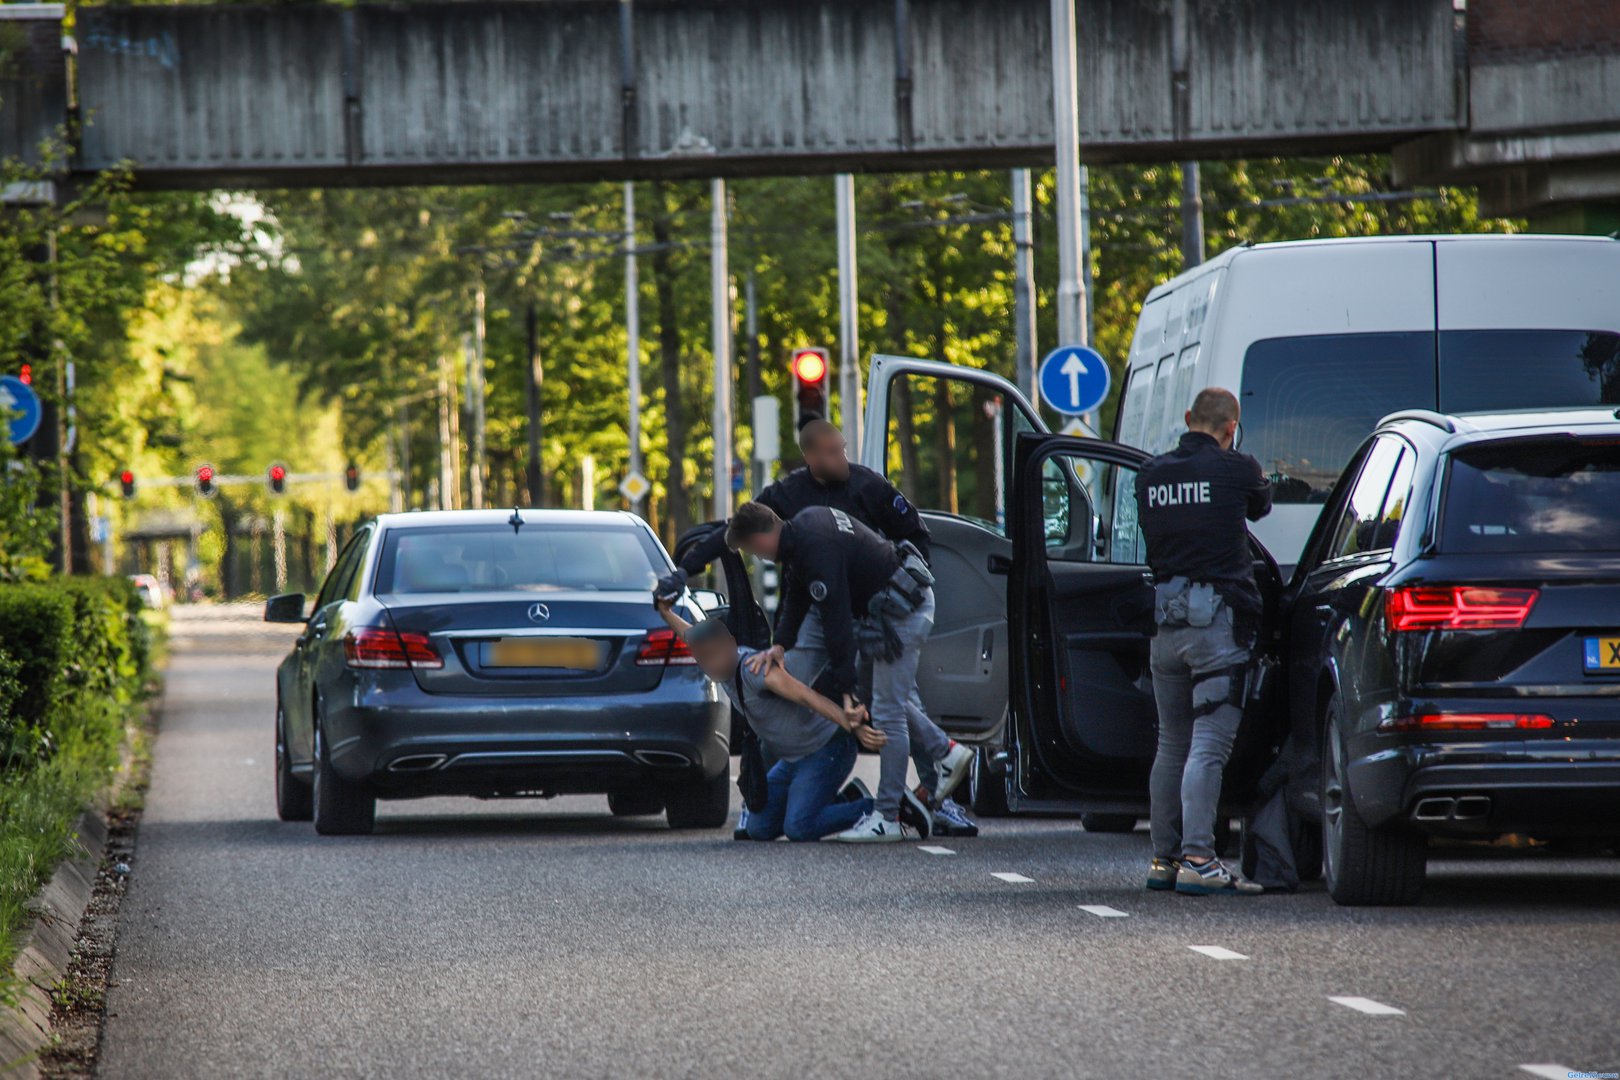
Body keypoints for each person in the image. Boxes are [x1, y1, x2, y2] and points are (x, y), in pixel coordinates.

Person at [654, 419, 977, 834]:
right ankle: (779, 788)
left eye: (841, 449)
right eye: (830, 452)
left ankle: (926, 795)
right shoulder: (789, 499)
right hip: (824, 608)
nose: (840, 458)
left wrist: (895, 593)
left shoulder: (868, 487)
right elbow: (742, 535)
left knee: (891, 700)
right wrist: (686, 570)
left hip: (876, 611)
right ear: (810, 456)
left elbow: (911, 539)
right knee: (782, 683)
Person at [726, 502, 974, 843]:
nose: (758, 557)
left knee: (886, 710)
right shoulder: (804, 528)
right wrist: (779, 645)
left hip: (902, 612)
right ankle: (945, 750)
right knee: (883, 698)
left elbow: (837, 623)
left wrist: (846, 692)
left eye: (754, 549)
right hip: (887, 611)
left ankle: (887, 815)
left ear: (763, 536)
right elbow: (798, 596)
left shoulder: (814, 548)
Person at [1134, 387, 1272, 897]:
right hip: (1217, 625)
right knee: (1209, 746)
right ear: (1231, 429)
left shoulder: (1150, 474)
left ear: (1188, 417)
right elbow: (1261, 507)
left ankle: (1163, 860)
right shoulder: (1237, 468)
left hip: (1165, 626)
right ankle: (1200, 857)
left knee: (1171, 743)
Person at [653, 597, 897, 842]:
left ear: (731, 644)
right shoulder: (712, 658)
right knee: (759, 829)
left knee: (799, 827)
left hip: (827, 749)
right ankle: (845, 799)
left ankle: (884, 809)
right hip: (792, 760)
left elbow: (806, 696)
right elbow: (689, 635)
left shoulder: (755, 670)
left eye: (715, 655)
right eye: (704, 659)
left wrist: (852, 727)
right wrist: (665, 613)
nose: (711, 664)